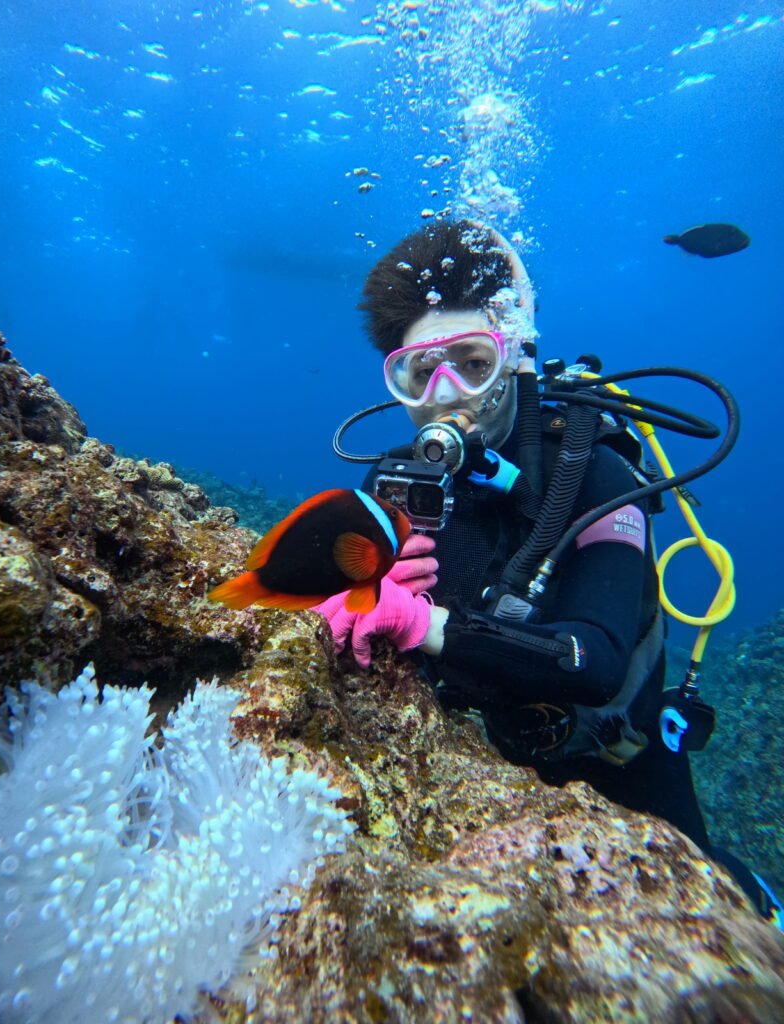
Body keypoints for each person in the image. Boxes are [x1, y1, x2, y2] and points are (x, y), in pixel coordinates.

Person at [314, 218, 781, 925]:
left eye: (472, 363)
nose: (446, 393)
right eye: (419, 371)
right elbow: (350, 601)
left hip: (614, 764)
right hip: (460, 768)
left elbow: (593, 660)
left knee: (704, 903)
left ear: (516, 358)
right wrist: (340, 600)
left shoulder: (592, 472)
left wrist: (419, 620)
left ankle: (764, 903)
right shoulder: (394, 483)